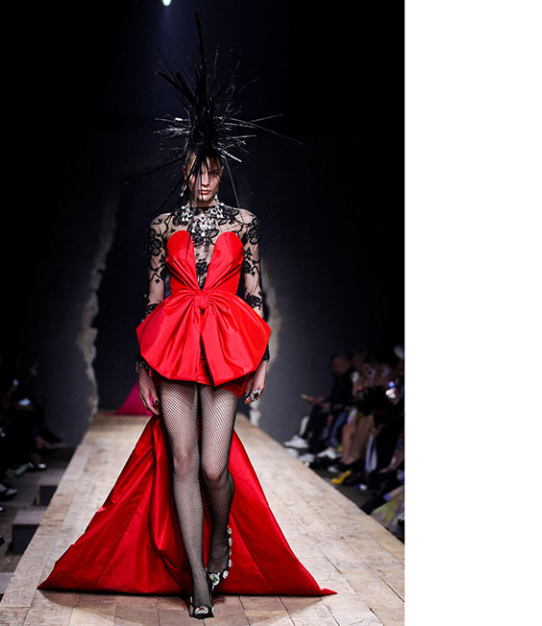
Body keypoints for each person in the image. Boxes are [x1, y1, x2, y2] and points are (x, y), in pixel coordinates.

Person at [38, 20, 333, 619]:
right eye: (196, 171)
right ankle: (198, 578)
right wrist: (142, 367)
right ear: (185, 172)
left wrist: (263, 361)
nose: (204, 180)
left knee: (212, 466)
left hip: (225, 346)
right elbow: (152, 298)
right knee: (180, 461)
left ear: (221, 173)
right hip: (172, 347)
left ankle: (220, 535)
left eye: (212, 171)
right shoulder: (161, 227)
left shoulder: (243, 223)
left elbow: (254, 294)